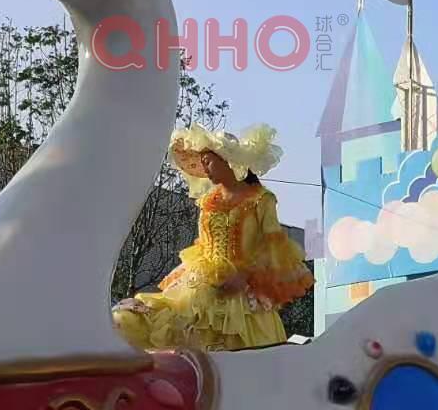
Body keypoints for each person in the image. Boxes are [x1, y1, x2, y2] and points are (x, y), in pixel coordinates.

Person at [113, 123, 313, 352]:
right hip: (201, 285)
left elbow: (273, 246)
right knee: (154, 323)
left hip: (242, 295)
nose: (204, 169)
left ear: (227, 161)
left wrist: (245, 275)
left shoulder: (261, 199)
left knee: (245, 357)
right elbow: (203, 245)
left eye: (208, 161)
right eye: (202, 163)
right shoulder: (208, 202)